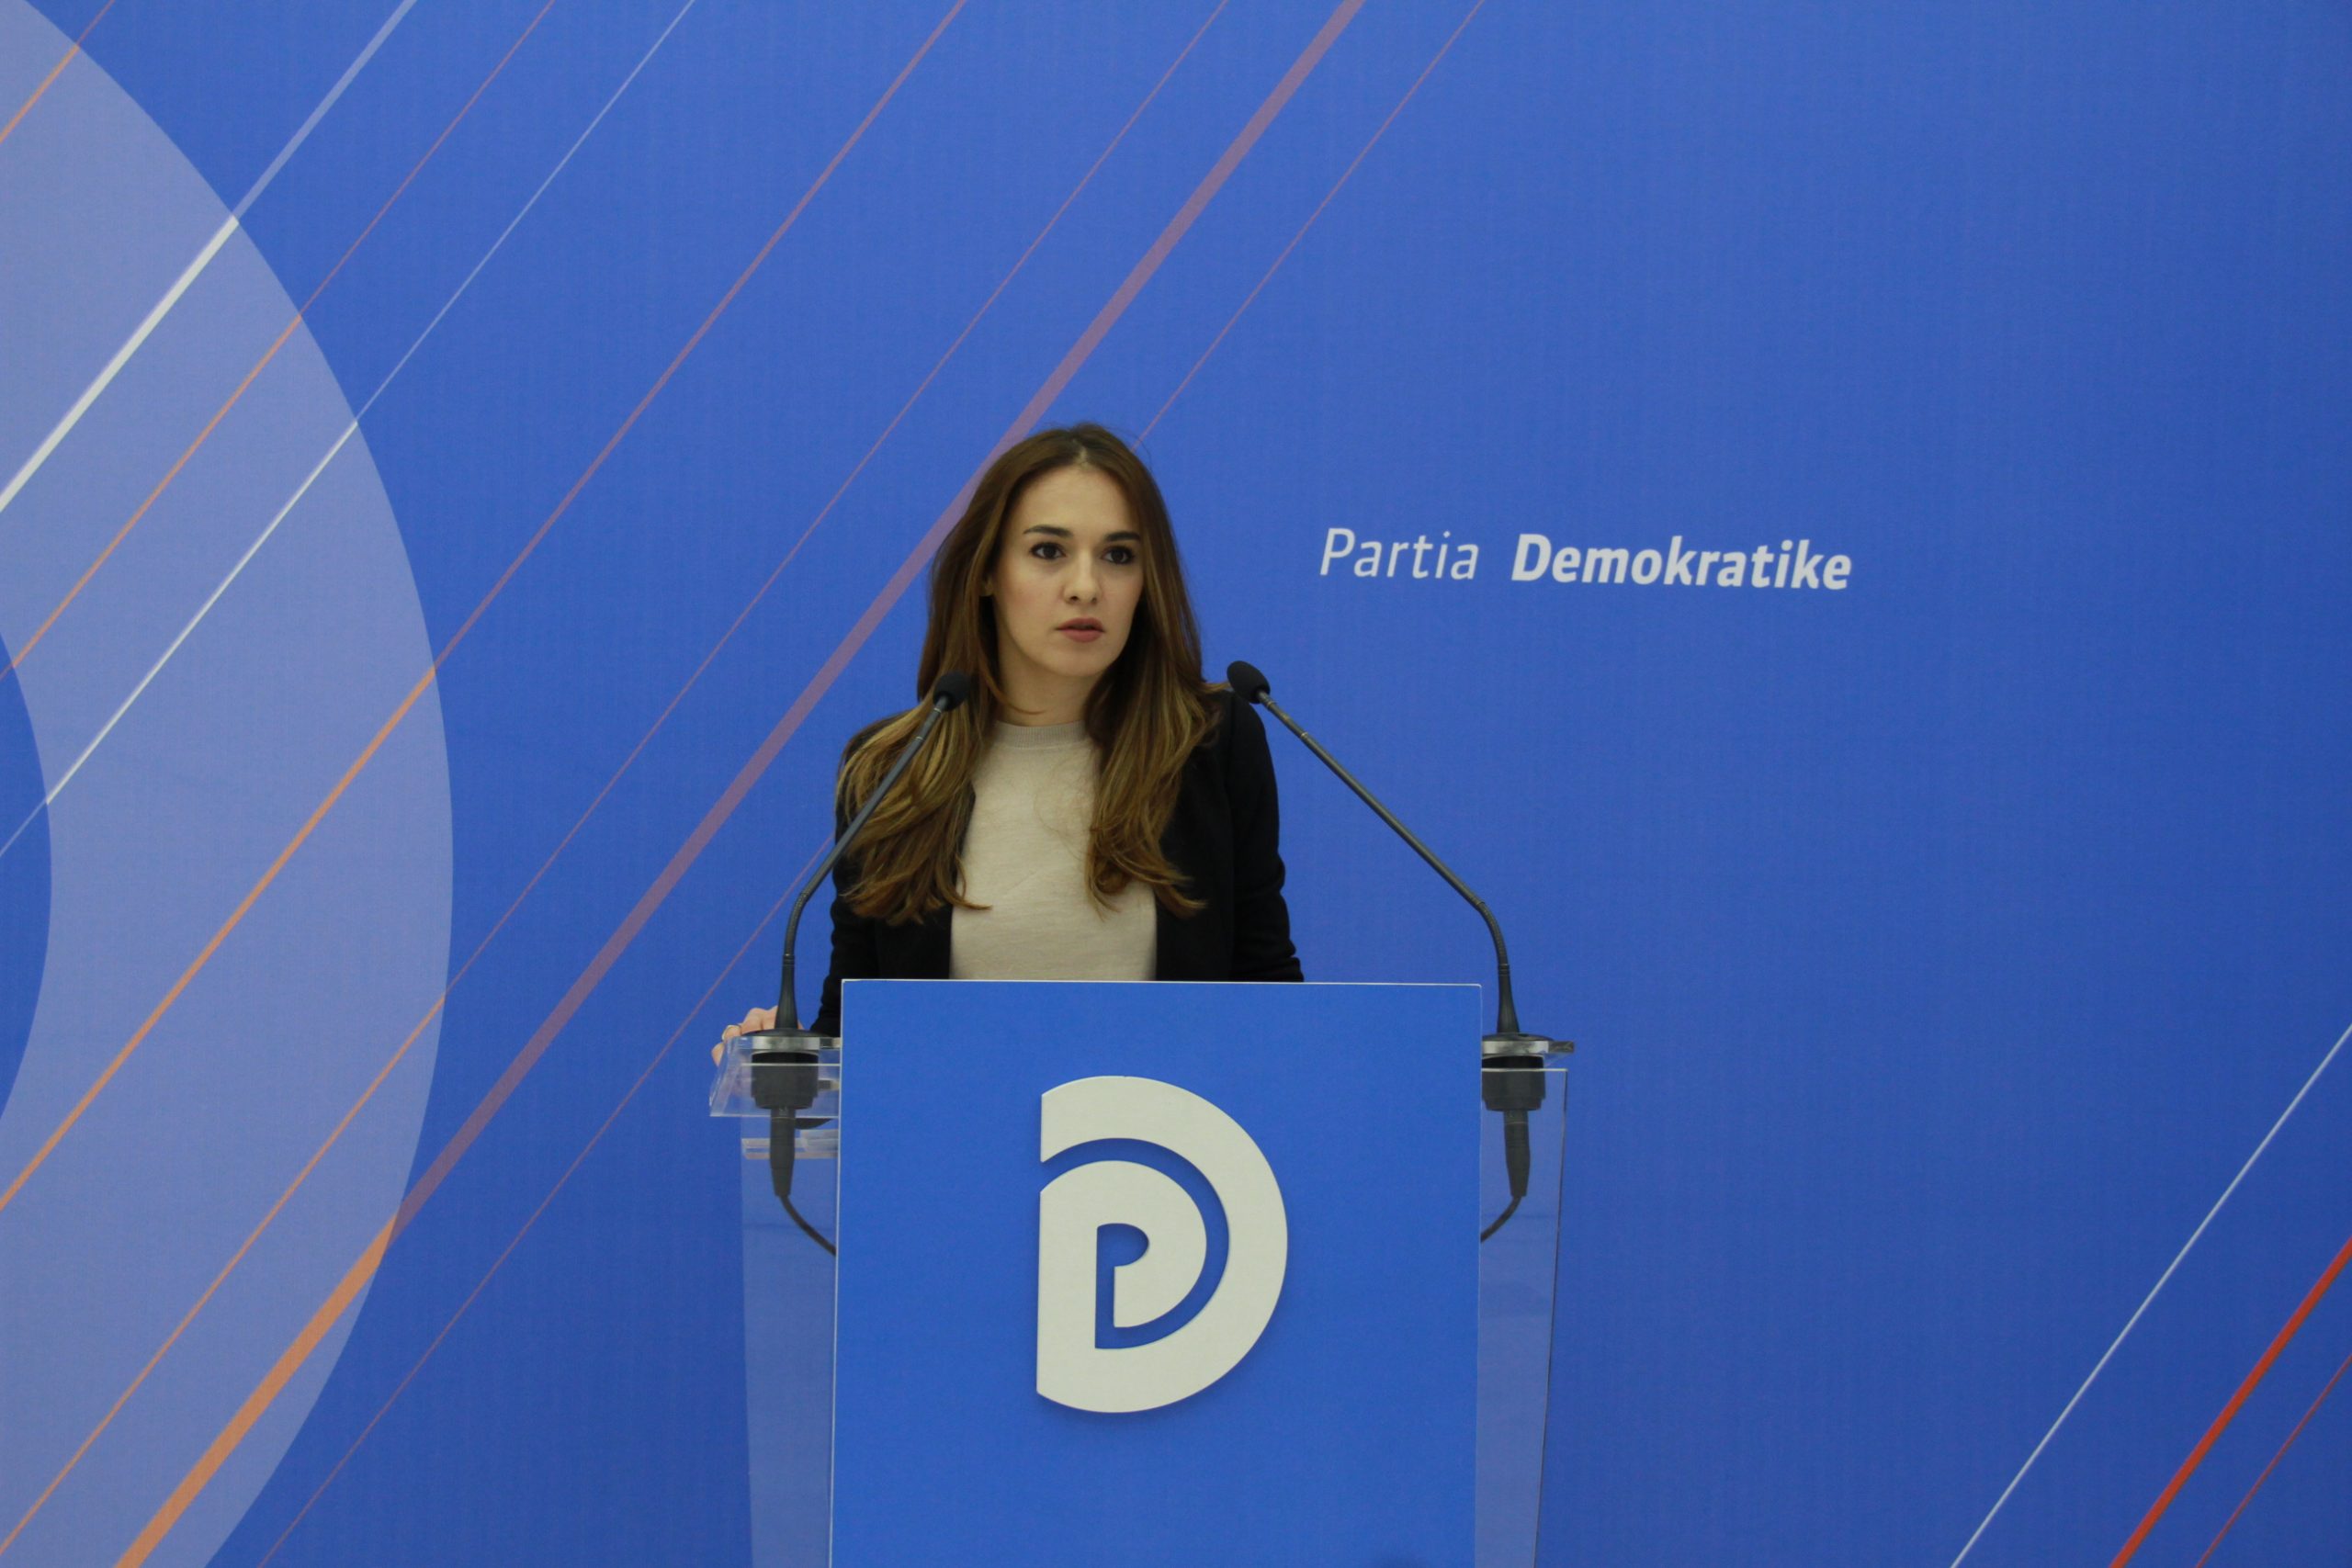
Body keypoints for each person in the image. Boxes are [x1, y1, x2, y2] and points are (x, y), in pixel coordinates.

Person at [724, 423, 1301, 1047]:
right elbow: (858, 1028)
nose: (1086, 587)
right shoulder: (892, 771)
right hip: (952, 1114)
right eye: (1049, 551)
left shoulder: (1207, 744)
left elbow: (1266, 988)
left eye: (1119, 556)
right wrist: (789, 1054)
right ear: (986, 573)